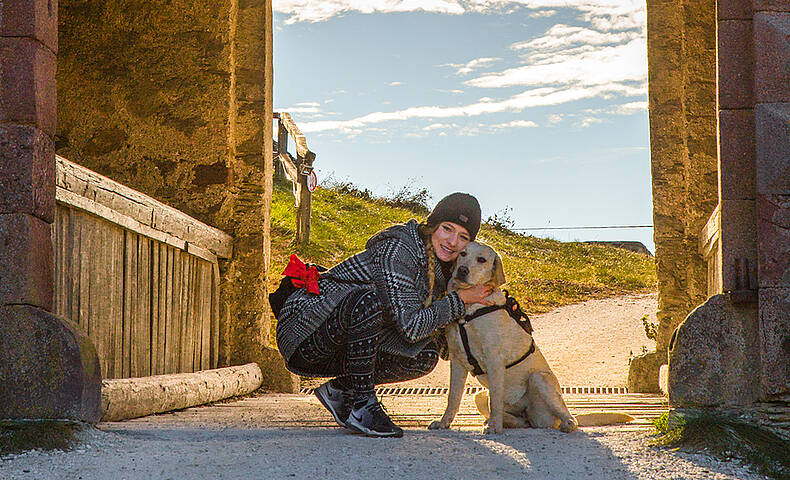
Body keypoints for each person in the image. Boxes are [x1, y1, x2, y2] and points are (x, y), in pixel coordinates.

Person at [275, 192, 493, 437]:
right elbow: (411, 326)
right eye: (447, 228)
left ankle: (341, 391)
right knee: (368, 301)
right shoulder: (399, 248)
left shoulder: (443, 273)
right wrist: (459, 301)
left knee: (425, 354)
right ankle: (363, 405)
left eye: (463, 237)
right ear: (432, 226)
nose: (452, 241)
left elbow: (443, 348)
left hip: (342, 341)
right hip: (306, 329)